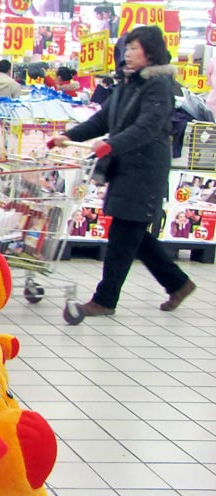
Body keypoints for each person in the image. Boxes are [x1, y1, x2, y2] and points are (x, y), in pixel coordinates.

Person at [48, 26, 196, 316]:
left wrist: (110, 145)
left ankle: (104, 300)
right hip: (126, 166)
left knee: (123, 235)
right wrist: (68, 136)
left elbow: (147, 127)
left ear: (150, 53)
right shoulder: (128, 82)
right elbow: (103, 119)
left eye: (134, 48)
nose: (127, 53)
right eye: (127, 47)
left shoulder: (158, 85)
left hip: (145, 169)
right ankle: (178, 283)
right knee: (132, 233)